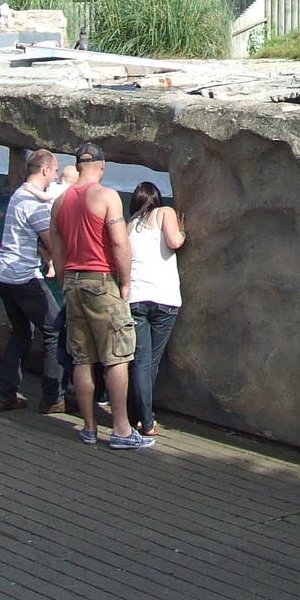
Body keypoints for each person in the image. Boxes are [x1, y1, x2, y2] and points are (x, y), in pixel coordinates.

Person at [49, 141, 152, 449]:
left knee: (82, 358)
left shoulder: (60, 201)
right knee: (116, 357)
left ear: (78, 165)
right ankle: (121, 430)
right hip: (101, 280)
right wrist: (124, 282)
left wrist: (64, 280)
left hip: (74, 283)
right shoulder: (106, 196)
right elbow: (119, 242)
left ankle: (89, 427)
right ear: (102, 166)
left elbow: (57, 248)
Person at [0, 149, 69, 415]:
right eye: (55, 170)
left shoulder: (20, 195)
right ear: (45, 170)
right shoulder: (34, 204)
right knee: (54, 329)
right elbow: (52, 241)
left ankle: (5, 393)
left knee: (21, 332)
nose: (56, 176)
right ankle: (52, 397)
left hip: (3, 273)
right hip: (22, 276)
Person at [126, 180, 184, 439]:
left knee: (139, 361)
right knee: (151, 362)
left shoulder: (128, 226)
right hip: (165, 297)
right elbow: (175, 242)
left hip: (136, 298)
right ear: (157, 198)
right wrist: (183, 232)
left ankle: (135, 417)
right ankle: (145, 420)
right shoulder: (165, 213)